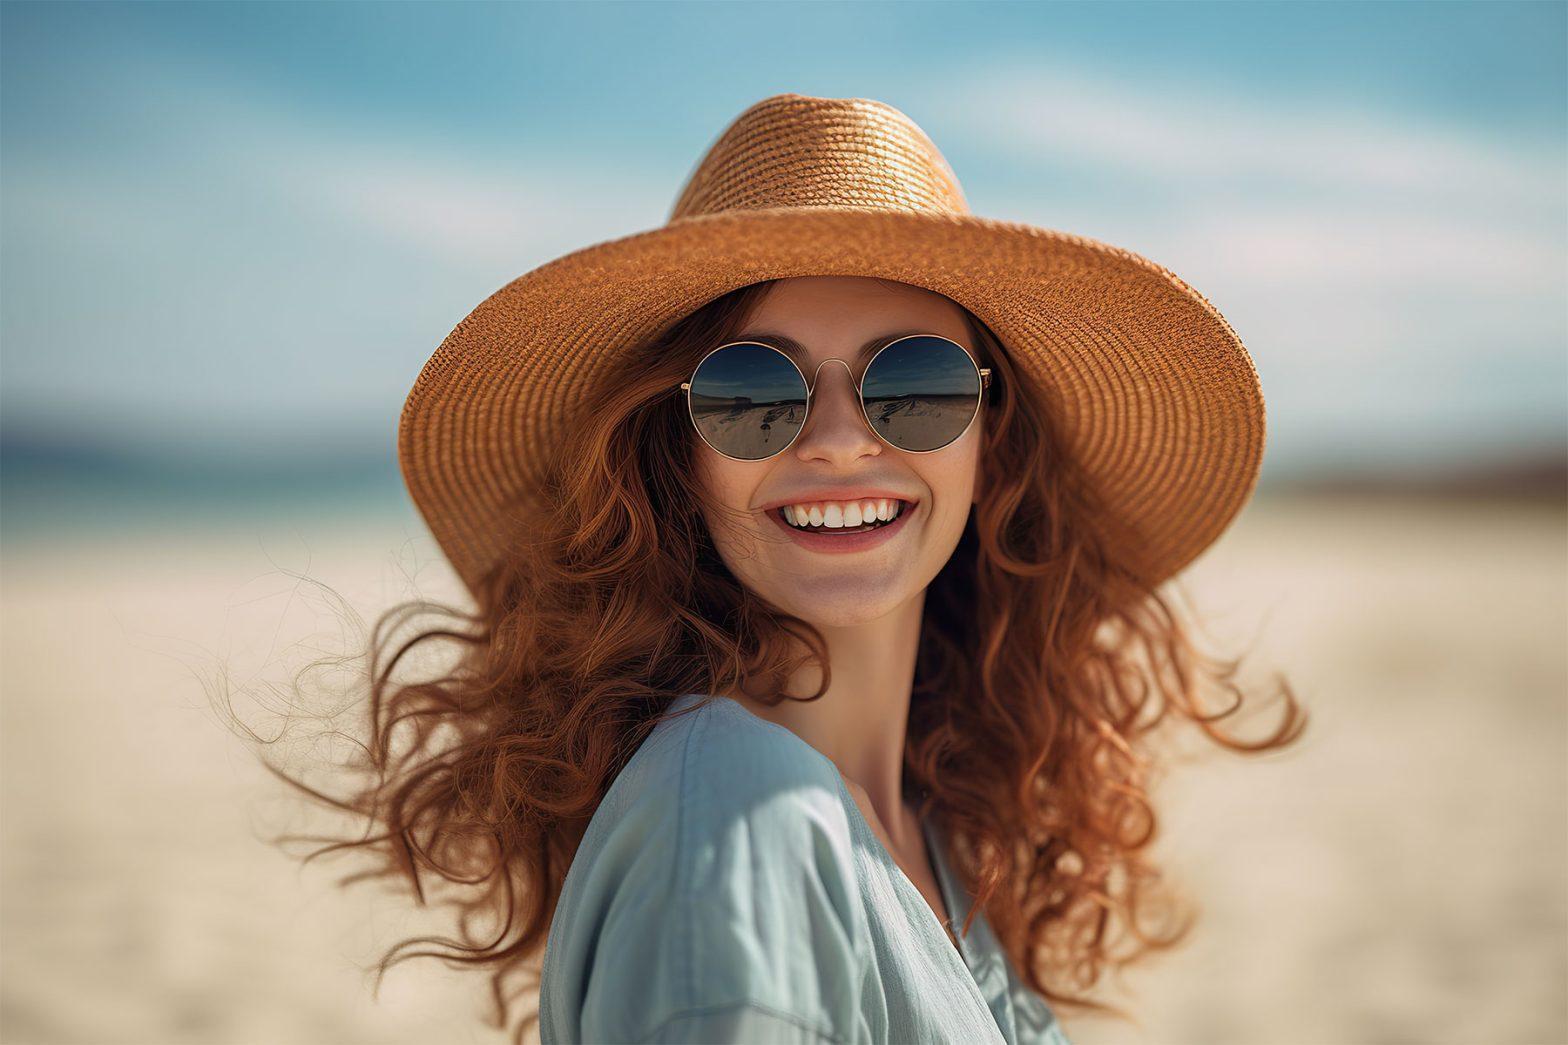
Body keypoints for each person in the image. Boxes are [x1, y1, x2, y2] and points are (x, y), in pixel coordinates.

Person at [278, 92, 1306, 1045]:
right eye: (747, 391)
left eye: (916, 381)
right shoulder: (737, 816)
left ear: (994, 441)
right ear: (673, 456)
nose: (839, 440)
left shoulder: (918, 825)